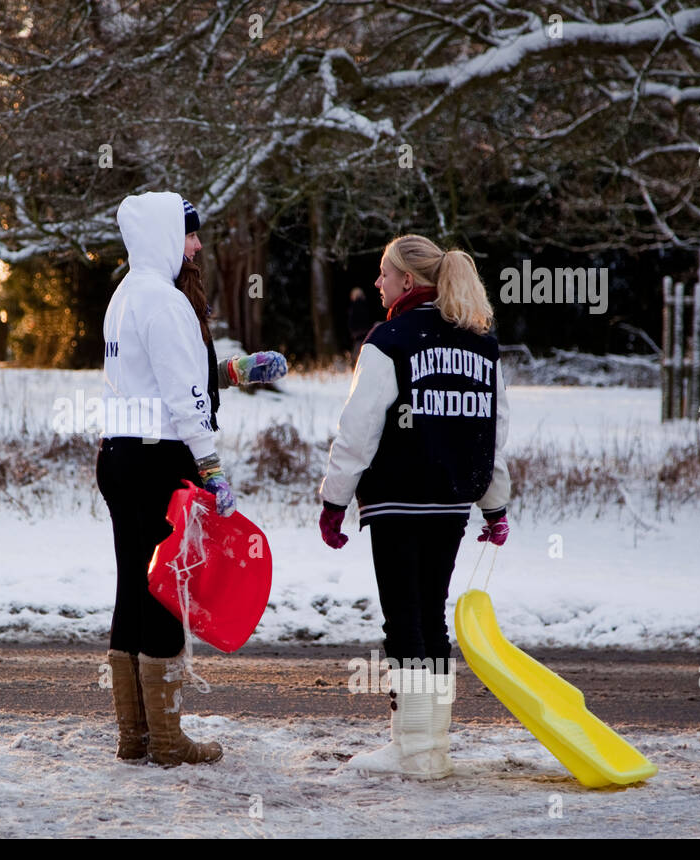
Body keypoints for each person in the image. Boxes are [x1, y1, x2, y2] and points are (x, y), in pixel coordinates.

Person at [96, 191, 286, 766]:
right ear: (162, 236)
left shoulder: (126, 294)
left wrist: (233, 369)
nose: (198, 245)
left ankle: (137, 736)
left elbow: (158, 378)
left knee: (134, 585)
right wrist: (211, 467)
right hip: (162, 460)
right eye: (189, 235)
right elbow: (184, 397)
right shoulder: (165, 300)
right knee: (165, 594)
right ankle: (170, 741)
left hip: (121, 456)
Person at [317, 234, 510, 779]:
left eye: (383, 273)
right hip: (451, 503)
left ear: (407, 280)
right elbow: (491, 436)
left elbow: (357, 430)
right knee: (429, 614)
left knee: (405, 619)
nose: (377, 283)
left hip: (398, 500)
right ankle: (428, 745)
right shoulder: (482, 344)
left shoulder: (389, 339)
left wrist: (334, 500)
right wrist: (495, 508)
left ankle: (415, 750)